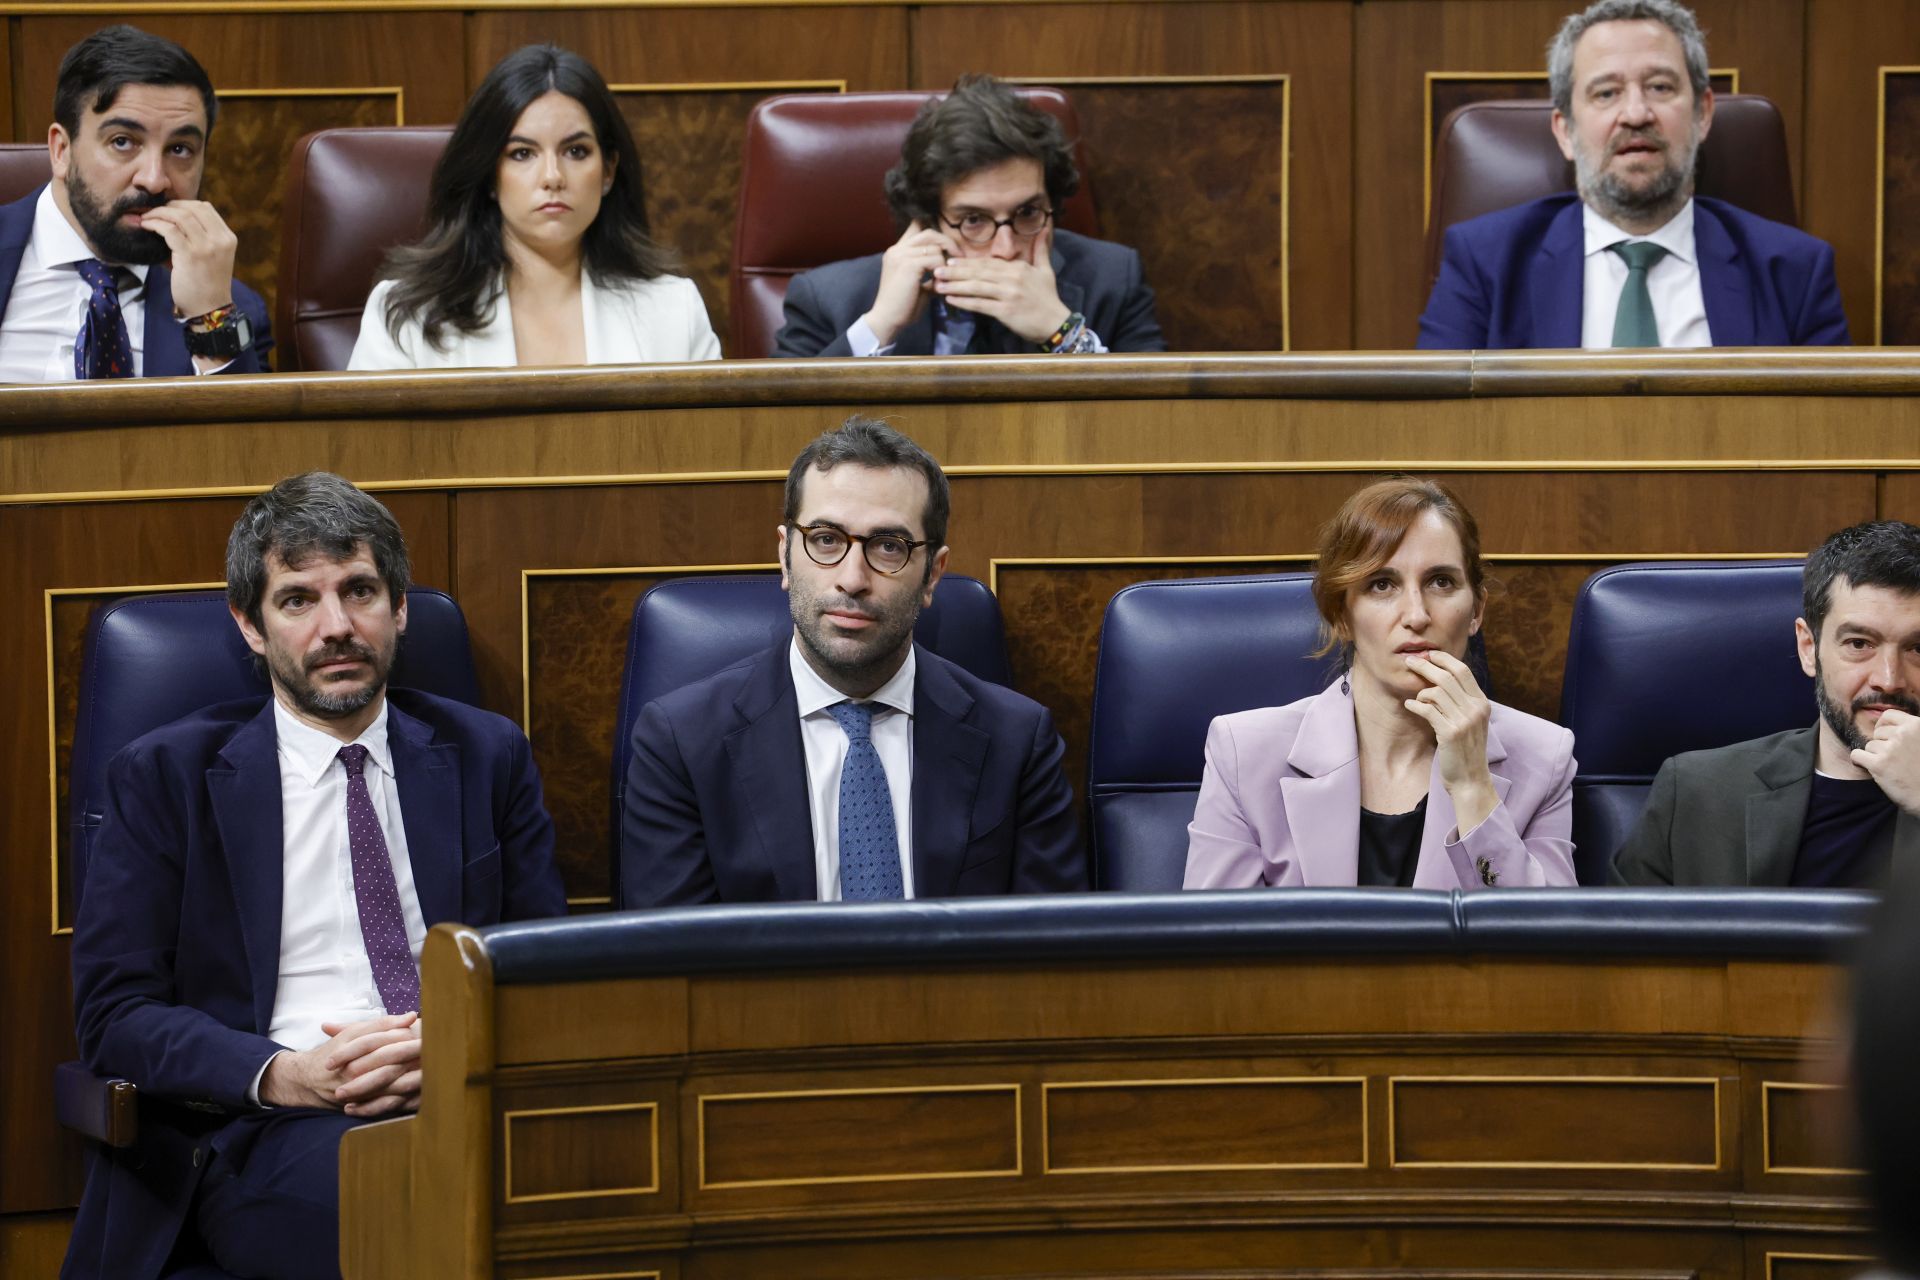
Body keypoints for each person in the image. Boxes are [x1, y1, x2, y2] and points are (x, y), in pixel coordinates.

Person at [64, 473, 566, 1280]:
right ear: (250, 626)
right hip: (267, 1125)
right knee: (396, 1198)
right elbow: (115, 1015)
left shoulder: (487, 756)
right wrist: (282, 1074)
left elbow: (549, 967)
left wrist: (455, 1044)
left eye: (360, 590)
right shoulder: (164, 776)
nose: (338, 626)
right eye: (299, 600)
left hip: (471, 1091)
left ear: (399, 608)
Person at [620, 416, 1085, 905]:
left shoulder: (1018, 742)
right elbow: (675, 968)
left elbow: (1051, 958)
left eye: (889, 547)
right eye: (826, 539)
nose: (852, 578)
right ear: (784, 557)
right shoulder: (681, 743)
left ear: (932, 575)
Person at [1184, 478, 1578, 890]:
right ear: (1340, 616)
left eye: (1441, 582)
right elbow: (1211, 946)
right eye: (1382, 584)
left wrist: (1474, 787)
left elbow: (1548, 945)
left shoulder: (1544, 756)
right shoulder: (1243, 753)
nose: (1416, 614)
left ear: (1477, 609)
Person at [1417, 0, 1848, 350]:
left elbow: (1831, 447)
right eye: (1606, 93)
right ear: (1565, 131)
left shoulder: (1795, 272)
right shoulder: (1485, 264)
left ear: (1703, 114)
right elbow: (1436, 441)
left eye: (1660, 87)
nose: (1636, 114)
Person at [348, 44, 719, 370]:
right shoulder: (409, 314)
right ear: (490, 175)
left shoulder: (674, 310)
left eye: (576, 152)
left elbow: (713, 448)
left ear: (608, 171)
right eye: (522, 153)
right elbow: (368, 451)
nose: (553, 176)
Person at [1612, 521, 1920, 886]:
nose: (1888, 678)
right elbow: (1621, 938)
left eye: (1918, 649)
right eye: (1858, 644)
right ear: (1809, 648)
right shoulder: (1696, 791)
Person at [771, 75, 1166, 358]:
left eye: (1027, 213)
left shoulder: (1115, 279)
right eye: (974, 220)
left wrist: (1063, 333)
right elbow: (781, 444)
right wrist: (881, 326)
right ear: (929, 219)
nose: (1005, 250)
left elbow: (1160, 435)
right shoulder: (828, 299)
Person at [0, 25, 272, 381]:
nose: (155, 179)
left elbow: (247, 437)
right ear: (61, 150)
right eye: (123, 142)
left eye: (179, 149)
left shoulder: (234, 311)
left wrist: (211, 319)